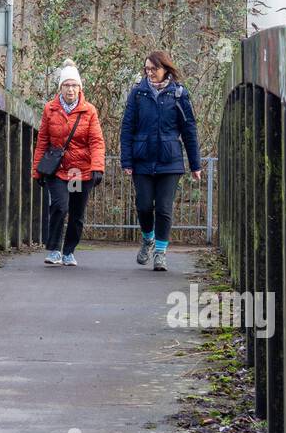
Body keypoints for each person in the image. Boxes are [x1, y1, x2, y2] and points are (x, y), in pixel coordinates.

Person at [119, 50, 201, 271]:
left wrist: (195, 164)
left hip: (170, 160)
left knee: (164, 208)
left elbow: (189, 130)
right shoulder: (137, 94)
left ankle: (161, 253)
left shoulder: (179, 94)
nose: (150, 73)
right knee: (144, 206)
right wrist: (126, 161)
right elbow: (127, 128)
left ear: (165, 68)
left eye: (154, 69)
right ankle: (148, 238)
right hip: (142, 160)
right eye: (146, 69)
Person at [31, 59, 105, 267]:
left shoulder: (89, 111)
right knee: (59, 206)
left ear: (80, 88)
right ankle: (54, 249)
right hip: (59, 168)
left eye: (74, 85)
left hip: (79, 170)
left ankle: (69, 251)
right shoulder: (50, 109)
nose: (70, 89)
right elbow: (43, 140)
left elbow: (96, 141)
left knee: (76, 212)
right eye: (66, 85)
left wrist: (97, 167)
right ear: (60, 87)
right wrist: (37, 171)